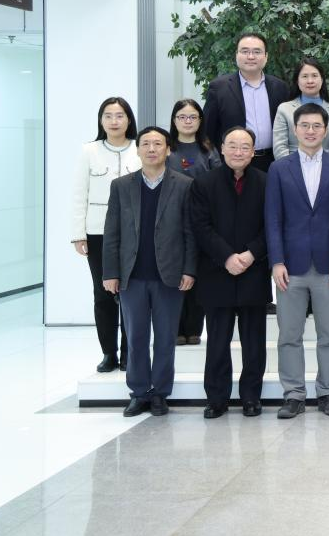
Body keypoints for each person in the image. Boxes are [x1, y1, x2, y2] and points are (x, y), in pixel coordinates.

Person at [266, 103, 329, 420]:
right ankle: (293, 395)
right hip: (290, 266)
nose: (311, 131)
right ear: (295, 129)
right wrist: (276, 261)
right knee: (289, 335)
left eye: (317, 125)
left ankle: (328, 392)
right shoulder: (279, 168)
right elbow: (273, 219)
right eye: (304, 125)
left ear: (326, 130)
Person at [101, 127, 197, 417]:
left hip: (169, 276)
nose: (152, 149)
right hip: (132, 275)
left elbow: (190, 232)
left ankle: (160, 393)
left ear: (168, 149)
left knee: (166, 338)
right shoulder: (121, 186)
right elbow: (112, 232)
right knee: (136, 338)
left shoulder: (184, 185)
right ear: (138, 149)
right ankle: (139, 392)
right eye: (146, 144)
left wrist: (189, 269)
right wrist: (110, 273)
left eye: (158, 144)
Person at [189, 127, 270, 419]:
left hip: (253, 269)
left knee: (254, 342)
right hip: (216, 271)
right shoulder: (203, 183)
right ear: (221, 148)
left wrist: (250, 254)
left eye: (245, 146)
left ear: (253, 152)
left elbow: (272, 225)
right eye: (232, 145)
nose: (238, 151)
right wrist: (226, 257)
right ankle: (216, 398)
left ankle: (251, 397)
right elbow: (200, 226)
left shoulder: (265, 182)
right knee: (217, 341)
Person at [72, 97, 139, 372]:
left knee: (131, 294)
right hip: (98, 232)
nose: (114, 121)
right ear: (101, 120)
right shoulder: (89, 151)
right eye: (108, 116)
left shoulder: (139, 148)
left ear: (128, 119)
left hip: (134, 233)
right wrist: (78, 234)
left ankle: (129, 352)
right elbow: (79, 194)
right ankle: (109, 353)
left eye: (120, 115)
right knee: (103, 294)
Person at [166, 98, 220, 347]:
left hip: (201, 219)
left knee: (198, 274)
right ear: (174, 120)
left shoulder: (208, 149)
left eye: (192, 117)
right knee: (174, 273)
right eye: (182, 117)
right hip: (171, 219)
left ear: (200, 121)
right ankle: (176, 327)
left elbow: (218, 181)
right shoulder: (167, 147)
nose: (187, 121)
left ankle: (194, 328)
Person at [202, 32, 290, 172]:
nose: (250, 57)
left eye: (257, 52)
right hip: (233, 164)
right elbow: (208, 131)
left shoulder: (280, 87)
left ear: (266, 56)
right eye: (245, 51)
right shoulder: (219, 88)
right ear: (236, 55)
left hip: (272, 162)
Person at [273, 56, 329, 160]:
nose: (310, 81)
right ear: (297, 81)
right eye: (304, 76)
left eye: (314, 76)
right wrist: (292, 168)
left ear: (322, 79)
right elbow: (280, 148)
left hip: (327, 166)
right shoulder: (284, 109)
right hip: (291, 165)